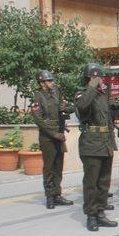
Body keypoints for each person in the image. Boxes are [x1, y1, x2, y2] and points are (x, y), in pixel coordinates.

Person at [75, 63, 117, 231]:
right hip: (91, 144)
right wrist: (92, 86)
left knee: (104, 182)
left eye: (100, 78)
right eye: (97, 77)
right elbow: (82, 107)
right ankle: (91, 215)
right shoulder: (82, 94)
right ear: (90, 78)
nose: (101, 80)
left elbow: (108, 121)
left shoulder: (102, 96)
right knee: (91, 182)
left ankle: (100, 212)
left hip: (105, 142)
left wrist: (111, 142)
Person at [31, 70, 75, 210]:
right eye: (49, 81)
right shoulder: (38, 97)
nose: (52, 83)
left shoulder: (56, 94)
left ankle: (57, 194)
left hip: (59, 134)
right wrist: (53, 134)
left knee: (58, 166)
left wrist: (66, 108)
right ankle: (50, 195)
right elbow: (38, 119)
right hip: (48, 137)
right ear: (42, 83)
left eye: (52, 80)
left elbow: (70, 107)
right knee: (49, 167)